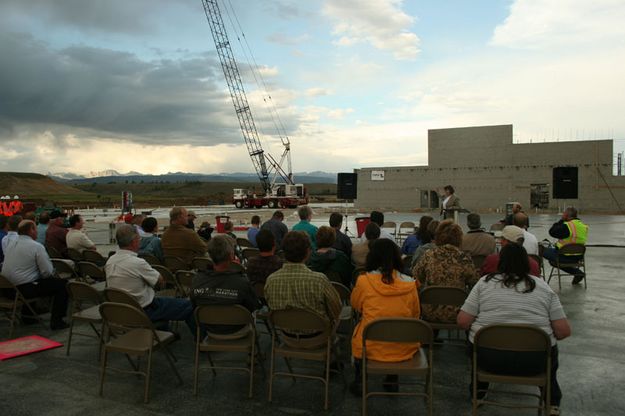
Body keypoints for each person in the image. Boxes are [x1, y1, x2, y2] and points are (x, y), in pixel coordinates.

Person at [457, 243, 571, 415]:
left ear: (500, 262)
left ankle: (477, 393)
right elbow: (563, 331)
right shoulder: (543, 287)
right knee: (551, 354)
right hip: (534, 361)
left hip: (489, 358)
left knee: (473, 341)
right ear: (527, 262)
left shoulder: (483, 284)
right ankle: (551, 401)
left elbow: (463, 322)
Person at [350, 238, 421, 396]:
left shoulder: (363, 281)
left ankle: (360, 379)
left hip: (369, 346)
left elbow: (355, 305)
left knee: (360, 328)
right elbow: (416, 315)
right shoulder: (410, 283)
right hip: (403, 346)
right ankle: (391, 379)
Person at [105, 224, 195, 334]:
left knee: (163, 301)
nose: (140, 241)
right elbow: (160, 281)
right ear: (133, 242)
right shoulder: (137, 263)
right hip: (144, 311)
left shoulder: (110, 261)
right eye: (139, 239)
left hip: (122, 311)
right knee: (189, 306)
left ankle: (166, 334)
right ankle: (201, 341)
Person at [264, 231, 341, 328]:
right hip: (317, 336)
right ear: (308, 252)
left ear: (283, 252)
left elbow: (270, 307)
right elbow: (336, 309)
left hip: (286, 335)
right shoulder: (319, 280)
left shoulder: (271, 281)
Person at [1, 220, 69, 329]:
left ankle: (28, 316)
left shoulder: (11, 244)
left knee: (33, 279)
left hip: (7, 290)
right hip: (23, 290)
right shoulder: (36, 246)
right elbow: (47, 272)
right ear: (31, 230)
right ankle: (57, 320)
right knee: (62, 285)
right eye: (35, 229)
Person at [190, 235, 260, 334]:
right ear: (231, 255)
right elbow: (253, 306)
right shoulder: (242, 282)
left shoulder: (197, 280)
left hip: (209, 327)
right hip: (237, 328)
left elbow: (194, 305)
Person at [413, 220, 477, 322]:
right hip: (457, 311)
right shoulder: (464, 258)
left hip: (430, 311)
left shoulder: (429, 255)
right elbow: (474, 282)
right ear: (459, 238)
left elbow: (416, 277)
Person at [542, 206, 588, 284]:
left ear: (567, 215)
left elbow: (552, 232)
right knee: (554, 262)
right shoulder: (583, 226)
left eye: (564, 214)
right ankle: (578, 273)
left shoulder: (567, 226)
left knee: (540, 249)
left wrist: (561, 220)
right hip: (578, 256)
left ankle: (535, 275)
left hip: (564, 256)